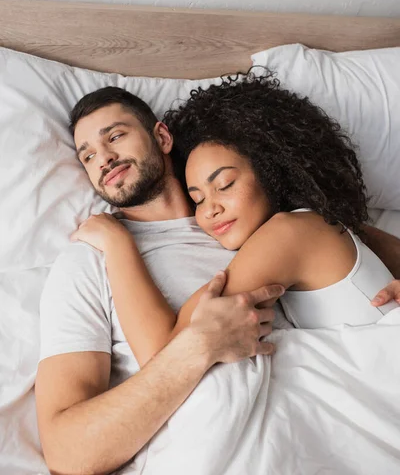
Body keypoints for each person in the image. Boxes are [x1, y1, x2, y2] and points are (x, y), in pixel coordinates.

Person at [36, 82, 400, 475]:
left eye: (116, 136)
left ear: (161, 136)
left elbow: (347, 232)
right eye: (87, 156)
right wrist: (120, 248)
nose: (103, 158)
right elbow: (66, 454)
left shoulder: (259, 220)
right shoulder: (89, 259)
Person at [71, 73, 400, 365]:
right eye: (197, 198)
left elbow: (165, 356)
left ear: (271, 172)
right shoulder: (318, 222)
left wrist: (117, 243)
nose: (210, 209)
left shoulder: (289, 232)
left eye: (225, 185)